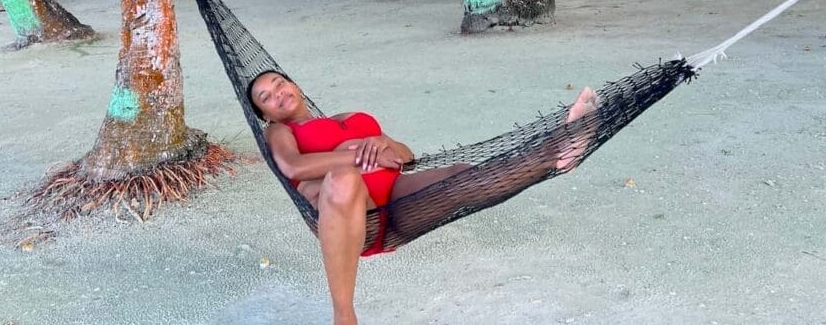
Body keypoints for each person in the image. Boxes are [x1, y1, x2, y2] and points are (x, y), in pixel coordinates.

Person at [248, 71, 600, 325]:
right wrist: (354, 155)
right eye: (266, 97)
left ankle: (557, 155)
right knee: (343, 178)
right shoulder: (280, 131)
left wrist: (384, 147)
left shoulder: (347, 118)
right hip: (353, 219)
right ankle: (344, 315)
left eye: (279, 83)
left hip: (398, 203)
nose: (277, 93)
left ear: (295, 84)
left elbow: (407, 155)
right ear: (265, 114)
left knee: (460, 173)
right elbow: (292, 167)